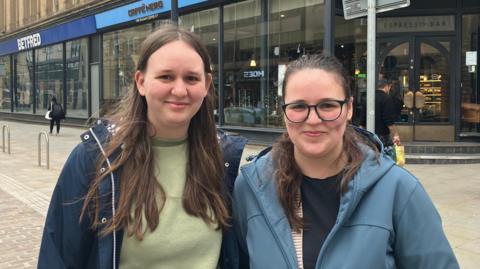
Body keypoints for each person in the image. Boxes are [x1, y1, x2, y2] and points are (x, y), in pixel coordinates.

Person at [38, 24, 247, 269]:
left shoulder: (223, 160)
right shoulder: (96, 158)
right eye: (166, 76)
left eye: (191, 78)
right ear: (141, 81)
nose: (179, 90)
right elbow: (59, 257)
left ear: (207, 84)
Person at [232, 53, 459, 269]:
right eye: (299, 106)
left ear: (349, 108)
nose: (313, 119)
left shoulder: (399, 191)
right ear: (283, 111)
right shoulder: (251, 189)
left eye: (328, 105)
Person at [375, 79, 400, 146]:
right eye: (389, 87)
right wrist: (395, 135)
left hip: (369, 134)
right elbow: (389, 119)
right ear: (386, 87)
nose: (389, 90)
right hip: (382, 135)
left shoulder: (369, 97)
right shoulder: (386, 98)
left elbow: (362, 120)